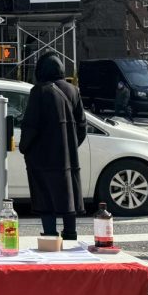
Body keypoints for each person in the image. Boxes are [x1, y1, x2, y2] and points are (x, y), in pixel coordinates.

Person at [19, 52, 87, 239]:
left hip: (42, 158)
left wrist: (24, 147)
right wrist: (70, 145)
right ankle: (71, 235)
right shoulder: (73, 91)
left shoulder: (39, 91)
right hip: (67, 157)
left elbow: (31, 125)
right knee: (68, 196)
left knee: (45, 198)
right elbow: (82, 125)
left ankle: (50, 236)